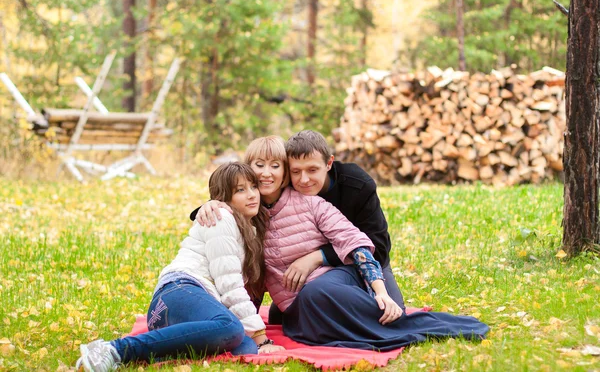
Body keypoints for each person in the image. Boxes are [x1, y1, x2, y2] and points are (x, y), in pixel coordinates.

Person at [193, 136, 489, 351]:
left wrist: (380, 291)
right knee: (305, 304)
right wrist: (208, 207)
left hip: (341, 275)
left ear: (284, 171)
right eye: (259, 165)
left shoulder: (315, 201)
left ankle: (400, 319)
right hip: (300, 306)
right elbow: (250, 276)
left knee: (330, 293)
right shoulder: (247, 215)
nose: (268, 172)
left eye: (276, 165)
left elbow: (361, 243)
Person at [76, 163, 283, 372]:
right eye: (240, 190)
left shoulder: (247, 229)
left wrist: (253, 340)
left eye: (253, 187)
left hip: (172, 315)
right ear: (222, 198)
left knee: (244, 347)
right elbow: (230, 284)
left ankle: (161, 347)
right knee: (231, 328)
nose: (251, 195)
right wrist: (261, 338)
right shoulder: (221, 219)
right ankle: (114, 350)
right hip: (178, 290)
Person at [194, 130, 405, 324]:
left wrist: (317, 257)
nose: (303, 180)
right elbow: (236, 194)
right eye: (296, 171)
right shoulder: (268, 194)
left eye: (312, 170)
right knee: (284, 315)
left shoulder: (356, 185)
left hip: (363, 259)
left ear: (329, 164)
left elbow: (374, 245)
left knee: (394, 316)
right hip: (302, 281)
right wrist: (212, 204)